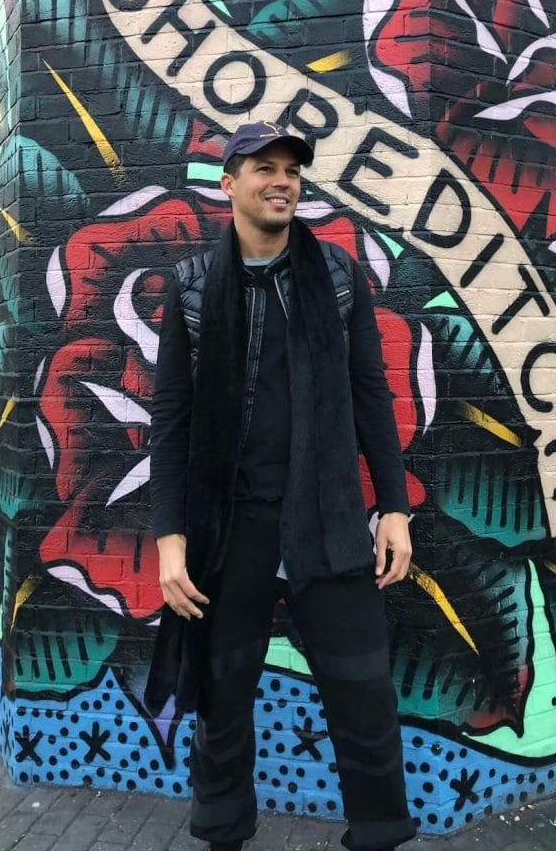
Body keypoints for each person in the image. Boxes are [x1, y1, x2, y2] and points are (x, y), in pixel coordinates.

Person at [146, 121, 417, 851]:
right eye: (263, 167)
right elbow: (169, 423)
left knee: (364, 697)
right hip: (230, 530)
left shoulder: (335, 276)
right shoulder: (193, 288)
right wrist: (171, 544)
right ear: (228, 183)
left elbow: (370, 394)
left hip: (325, 517)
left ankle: (379, 835)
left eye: (292, 170)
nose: (282, 181)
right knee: (223, 703)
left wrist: (393, 507)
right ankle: (224, 833)